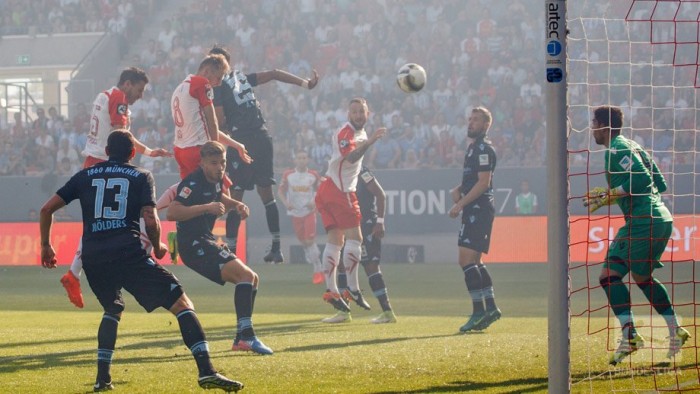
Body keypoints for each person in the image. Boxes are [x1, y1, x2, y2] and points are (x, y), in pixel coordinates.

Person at [40, 130, 242, 392]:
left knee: (112, 309)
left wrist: (46, 244)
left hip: (93, 257)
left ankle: (103, 380)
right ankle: (207, 371)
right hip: (127, 253)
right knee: (181, 303)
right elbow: (150, 215)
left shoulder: (83, 176)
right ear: (133, 152)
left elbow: (46, 209)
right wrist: (157, 244)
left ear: (106, 151)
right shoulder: (140, 176)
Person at [584, 105, 690, 365]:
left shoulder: (617, 149)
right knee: (642, 277)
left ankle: (630, 336)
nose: (592, 129)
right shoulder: (633, 145)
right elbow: (659, 183)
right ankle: (676, 329)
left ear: (604, 126)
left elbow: (641, 182)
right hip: (660, 217)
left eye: (594, 123)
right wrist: (612, 196)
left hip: (644, 221)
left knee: (608, 277)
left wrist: (611, 193)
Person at [60, 67, 172, 309]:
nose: (140, 96)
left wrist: (150, 152)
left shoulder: (104, 95)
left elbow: (121, 135)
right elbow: (121, 135)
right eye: (139, 90)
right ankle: (138, 260)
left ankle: (74, 273)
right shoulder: (119, 98)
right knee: (130, 216)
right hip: (106, 164)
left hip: (93, 162)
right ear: (128, 83)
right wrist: (142, 154)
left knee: (96, 223)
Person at [208, 45, 319, 264]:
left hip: (243, 141)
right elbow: (275, 73)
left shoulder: (218, 86)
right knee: (266, 195)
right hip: (263, 137)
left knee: (234, 197)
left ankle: (230, 252)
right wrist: (306, 83)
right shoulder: (243, 77)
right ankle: (276, 248)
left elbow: (219, 121)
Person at [167, 141, 273, 355]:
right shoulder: (192, 183)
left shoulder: (216, 180)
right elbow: (172, 212)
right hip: (193, 244)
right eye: (214, 163)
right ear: (203, 163)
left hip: (205, 240)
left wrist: (236, 204)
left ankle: (240, 338)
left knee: (252, 278)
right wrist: (206, 208)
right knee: (244, 276)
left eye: (222, 163)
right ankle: (246, 336)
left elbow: (218, 197)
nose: (219, 167)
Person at [315, 97, 386, 323]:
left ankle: (332, 290)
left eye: (361, 112)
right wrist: (371, 141)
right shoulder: (347, 133)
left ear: (368, 113)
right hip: (340, 190)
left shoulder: (360, 134)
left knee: (335, 240)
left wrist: (368, 140)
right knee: (356, 237)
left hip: (328, 188)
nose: (357, 115)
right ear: (349, 114)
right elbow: (351, 156)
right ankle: (353, 289)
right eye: (354, 112)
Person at [448, 106, 501, 333]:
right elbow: (476, 179)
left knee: (466, 260)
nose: (471, 123)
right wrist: (459, 189)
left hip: (478, 209)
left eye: (476, 120)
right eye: (469, 119)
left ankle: (479, 311)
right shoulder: (473, 148)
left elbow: (483, 182)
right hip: (475, 209)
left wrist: (460, 203)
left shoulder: (483, 148)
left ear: (486, 125)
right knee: (475, 261)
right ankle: (490, 308)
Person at [333, 166, 397, 324]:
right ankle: (344, 311)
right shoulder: (340, 172)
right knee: (341, 264)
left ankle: (387, 312)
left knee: (370, 267)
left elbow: (380, 194)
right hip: (349, 224)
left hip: (366, 224)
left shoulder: (363, 172)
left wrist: (380, 222)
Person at [277, 150, 324, 281]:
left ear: (307, 159)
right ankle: (309, 252)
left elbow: (321, 191)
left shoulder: (313, 175)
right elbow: (280, 191)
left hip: (309, 212)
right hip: (295, 212)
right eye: (299, 158)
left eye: (304, 158)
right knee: (303, 242)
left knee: (309, 241)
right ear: (295, 160)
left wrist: (313, 202)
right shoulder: (288, 174)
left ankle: (318, 268)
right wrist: (286, 203)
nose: (302, 160)